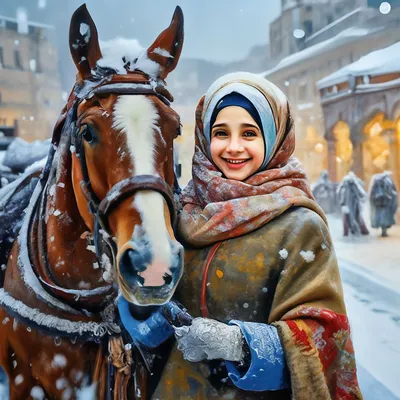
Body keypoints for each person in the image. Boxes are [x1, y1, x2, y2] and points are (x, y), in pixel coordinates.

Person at [120, 72, 362, 399]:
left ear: (274, 138)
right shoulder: (176, 215)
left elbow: (324, 339)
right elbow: (139, 319)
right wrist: (147, 313)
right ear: (205, 138)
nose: (234, 147)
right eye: (221, 133)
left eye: (249, 133)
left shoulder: (299, 226)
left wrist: (241, 346)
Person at [337, 171, 369, 237]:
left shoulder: (345, 185)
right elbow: (362, 193)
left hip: (352, 204)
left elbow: (338, 193)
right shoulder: (352, 184)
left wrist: (341, 202)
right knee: (354, 217)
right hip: (351, 204)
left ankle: (350, 231)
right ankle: (354, 230)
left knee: (351, 217)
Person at [369, 171, 398, 237]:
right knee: (385, 216)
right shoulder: (388, 180)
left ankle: (382, 228)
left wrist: (372, 200)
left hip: (378, 201)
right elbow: (393, 190)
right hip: (386, 201)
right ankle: (384, 231)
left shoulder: (376, 180)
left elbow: (372, 192)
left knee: (380, 215)